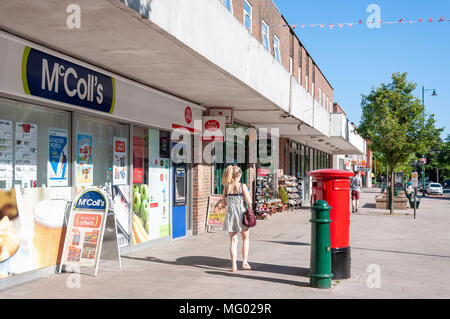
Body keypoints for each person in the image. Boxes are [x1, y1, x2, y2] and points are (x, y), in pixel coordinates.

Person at [221, 165, 253, 272]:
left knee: (233, 240)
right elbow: (249, 201)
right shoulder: (242, 186)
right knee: (245, 238)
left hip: (230, 214)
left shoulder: (226, 187)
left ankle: (234, 266)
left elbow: (224, 202)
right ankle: (244, 262)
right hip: (241, 214)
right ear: (239, 174)